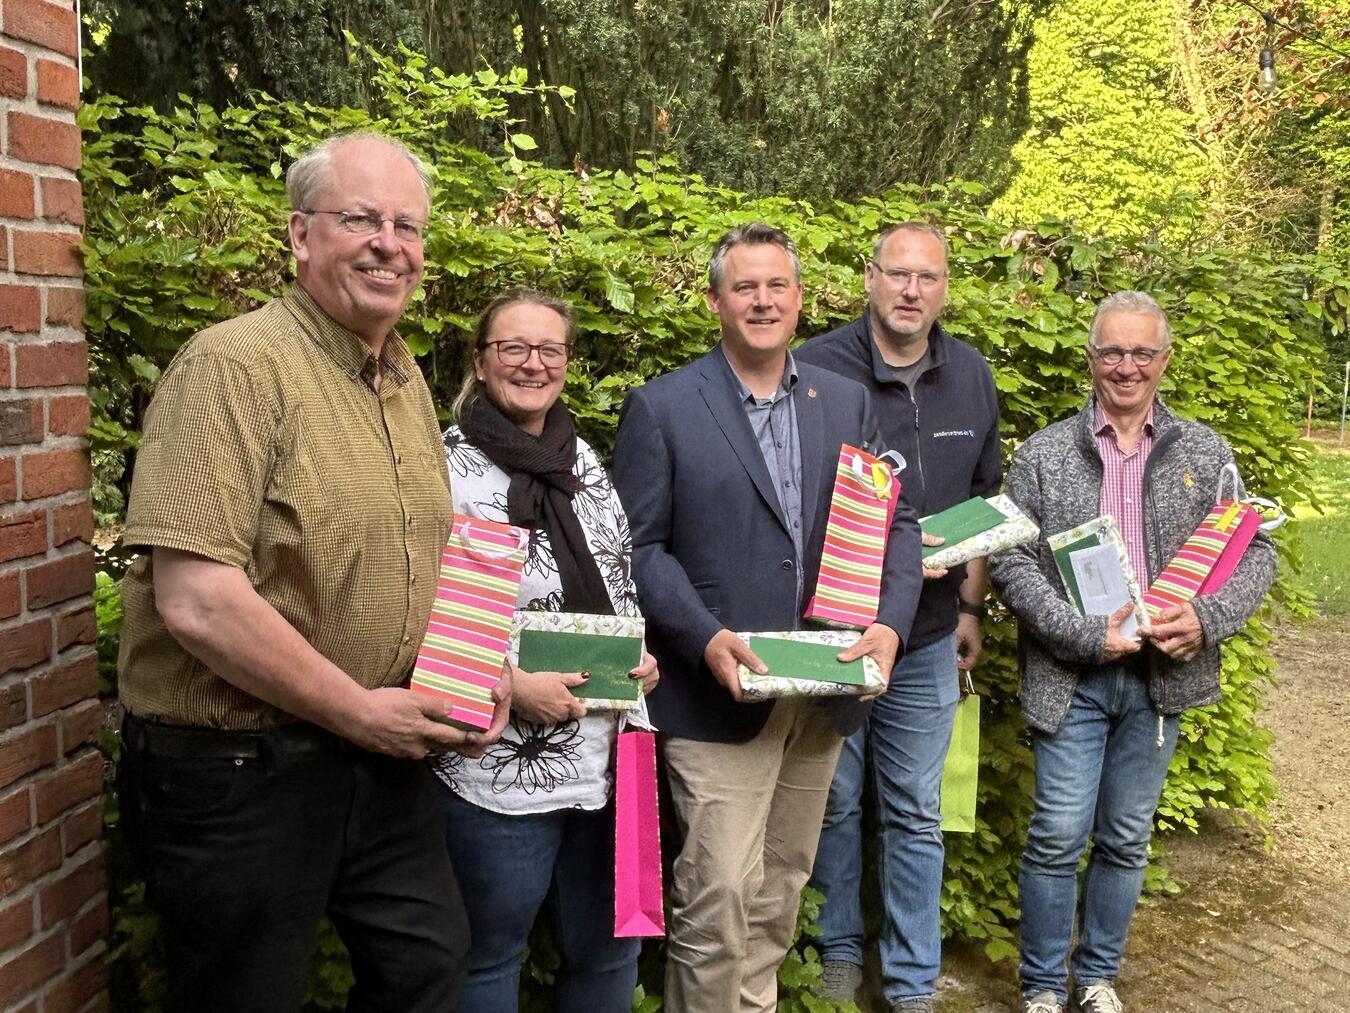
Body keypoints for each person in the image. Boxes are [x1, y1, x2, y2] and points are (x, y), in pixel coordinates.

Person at [115, 131, 508, 1013]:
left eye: (407, 225)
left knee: (428, 966)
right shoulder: (232, 367)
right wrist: (361, 711)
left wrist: (484, 671)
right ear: (300, 236)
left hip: (377, 759)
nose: (389, 243)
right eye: (361, 218)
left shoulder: (402, 377)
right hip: (241, 771)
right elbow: (196, 599)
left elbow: (413, 560)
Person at [611, 222, 924, 1013]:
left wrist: (888, 624)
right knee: (717, 900)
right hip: (719, 696)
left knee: (779, 892)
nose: (762, 300)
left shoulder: (844, 400)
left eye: (776, 286)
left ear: (799, 299)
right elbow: (640, 550)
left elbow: (900, 523)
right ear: (715, 299)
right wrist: (706, 636)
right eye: (744, 287)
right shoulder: (664, 406)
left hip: (821, 698)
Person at [988, 291, 1276, 1013]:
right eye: (1112, 351)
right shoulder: (1046, 453)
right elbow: (1011, 560)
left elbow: (1254, 549)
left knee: (1123, 836)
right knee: (1057, 833)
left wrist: (1207, 618)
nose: (1126, 366)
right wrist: (1085, 632)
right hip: (1071, 675)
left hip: (1159, 677)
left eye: (1142, 352)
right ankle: (1045, 987)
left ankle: (1096, 978)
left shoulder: (1206, 452)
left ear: (1164, 360)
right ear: (1090, 359)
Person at [432, 288, 659, 1012]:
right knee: (491, 952)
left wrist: (639, 655)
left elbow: (620, 576)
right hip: (499, 761)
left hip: (615, 750)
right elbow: (421, 607)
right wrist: (512, 683)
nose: (533, 364)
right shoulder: (445, 466)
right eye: (513, 348)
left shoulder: (583, 457)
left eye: (550, 349)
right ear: (479, 359)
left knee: (612, 946)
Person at [796, 222, 1002, 1012]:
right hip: (837, 631)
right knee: (834, 800)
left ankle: (913, 980)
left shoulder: (973, 375)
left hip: (926, 634)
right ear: (870, 279)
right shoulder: (814, 366)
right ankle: (839, 952)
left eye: (928, 276)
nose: (912, 290)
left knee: (915, 809)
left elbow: (983, 503)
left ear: (946, 286)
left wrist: (972, 605)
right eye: (898, 274)